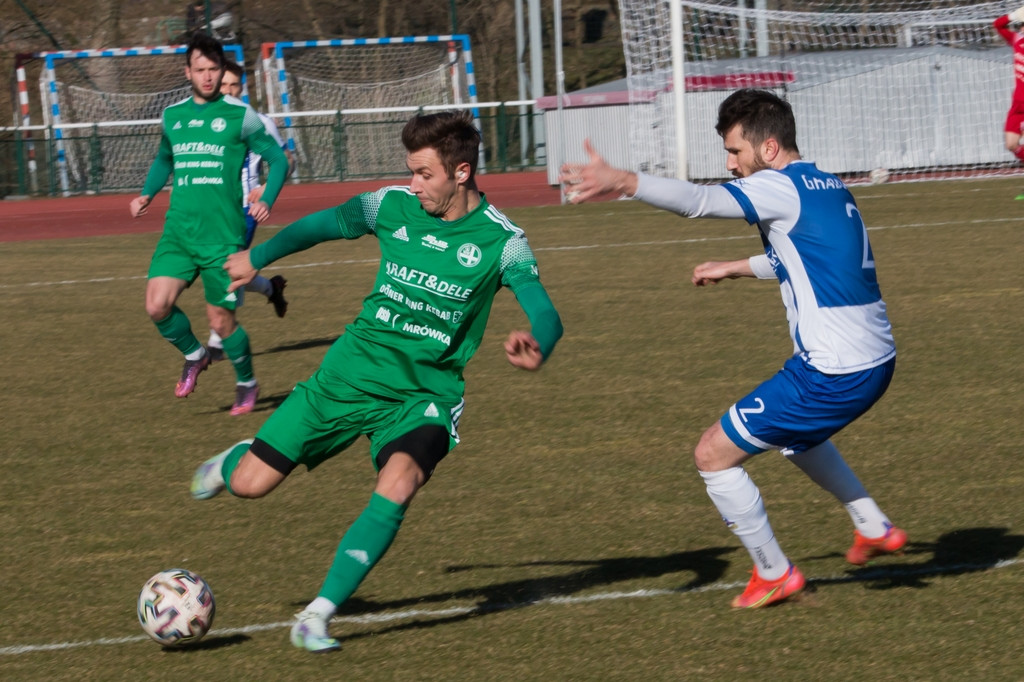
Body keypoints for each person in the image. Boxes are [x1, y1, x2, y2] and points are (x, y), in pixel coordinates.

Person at [189, 110, 563, 651]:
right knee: (251, 484)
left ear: (461, 172)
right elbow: (320, 226)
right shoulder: (389, 206)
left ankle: (317, 615)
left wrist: (538, 344)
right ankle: (234, 460)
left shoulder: (502, 241)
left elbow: (547, 313)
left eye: (424, 174)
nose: (413, 185)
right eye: (410, 172)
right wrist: (257, 256)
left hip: (422, 397)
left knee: (401, 480)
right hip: (346, 377)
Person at [560, 88, 905, 609]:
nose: (730, 164)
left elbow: (701, 203)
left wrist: (625, 181)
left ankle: (774, 572)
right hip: (875, 358)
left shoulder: (777, 186)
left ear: (768, 149)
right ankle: (872, 524)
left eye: (736, 152)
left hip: (835, 369)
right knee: (797, 438)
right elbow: (806, 258)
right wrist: (734, 267)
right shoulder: (824, 183)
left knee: (713, 454)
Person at [130, 33, 289, 415]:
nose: (207, 76)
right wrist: (147, 193)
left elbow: (279, 160)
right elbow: (164, 159)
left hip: (223, 236)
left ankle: (247, 383)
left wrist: (266, 198)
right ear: (188, 71)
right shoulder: (173, 116)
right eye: (199, 69)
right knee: (156, 306)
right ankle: (195, 354)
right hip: (179, 233)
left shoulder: (241, 116)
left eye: (213, 69)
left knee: (221, 319)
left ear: (222, 70)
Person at [205, 59, 295, 363]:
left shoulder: (258, 121)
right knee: (220, 266)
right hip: (214, 208)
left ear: (242, 88)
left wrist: (267, 189)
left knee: (229, 266)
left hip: (245, 208)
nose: (229, 91)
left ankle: (218, 340)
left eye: (235, 85)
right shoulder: (206, 121)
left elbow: (287, 160)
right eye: (224, 84)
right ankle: (272, 288)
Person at [994, 5, 1024, 198]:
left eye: (1020, 23)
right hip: (1018, 104)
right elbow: (998, 24)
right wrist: (1013, 14)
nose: (1018, 26)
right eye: (1018, 24)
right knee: (1011, 144)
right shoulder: (1016, 39)